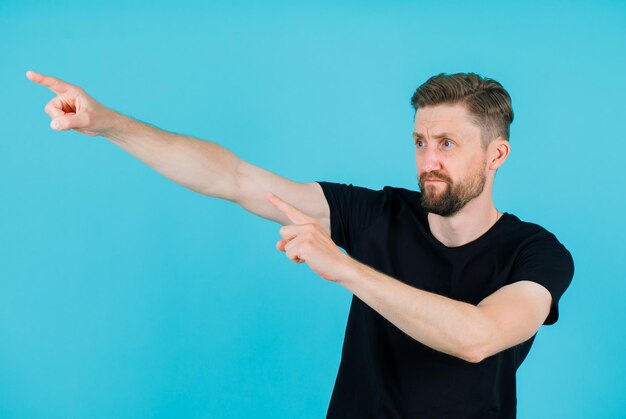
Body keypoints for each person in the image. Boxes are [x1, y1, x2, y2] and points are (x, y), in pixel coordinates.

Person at [27, 70, 574, 418]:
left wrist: (346, 269)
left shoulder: (536, 253)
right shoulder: (378, 213)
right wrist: (109, 124)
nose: (427, 161)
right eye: (420, 141)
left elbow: (478, 337)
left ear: (495, 155)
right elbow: (236, 179)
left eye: (448, 144)